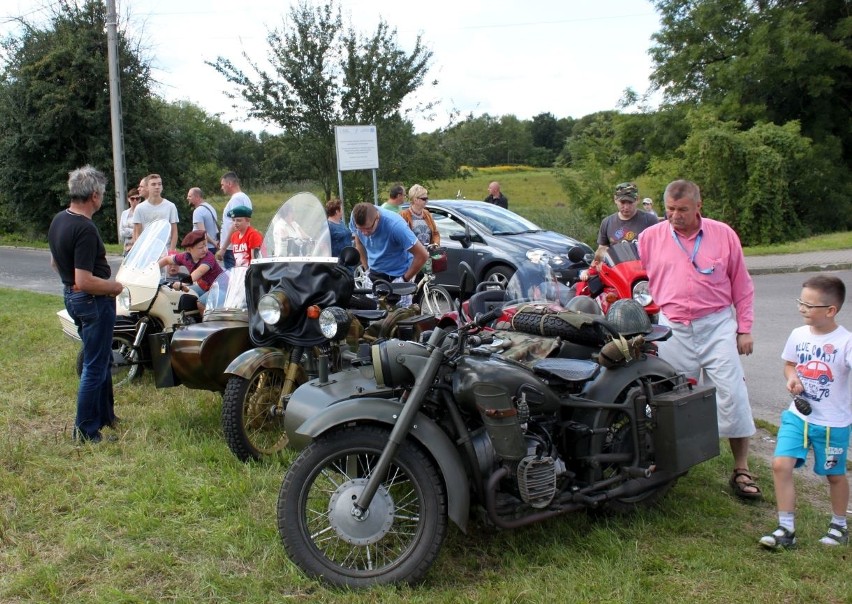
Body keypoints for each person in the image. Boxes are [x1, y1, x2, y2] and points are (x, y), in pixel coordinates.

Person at [638, 179, 761, 500]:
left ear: (698, 207)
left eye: (682, 210)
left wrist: (744, 328)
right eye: (670, 210)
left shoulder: (723, 235)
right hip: (673, 325)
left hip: (716, 324)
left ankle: (741, 467)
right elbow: (641, 278)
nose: (675, 216)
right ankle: (670, 462)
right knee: (671, 396)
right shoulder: (650, 237)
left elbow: (742, 285)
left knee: (733, 393)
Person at [759, 275, 851, 550]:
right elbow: (789, 364)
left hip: (833, 424)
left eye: (809, 305)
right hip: (799, 416)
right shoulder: (798, 335)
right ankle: (785, 529)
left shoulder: (845, 341)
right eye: (800, 301)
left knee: (834, 476)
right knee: (780, 464)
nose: (802, 308)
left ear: (830, 310)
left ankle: (839, 526)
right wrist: (791, 378)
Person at [48, 165, 124, 443]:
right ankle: (85, 431)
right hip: (93, 301)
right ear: (94, 195)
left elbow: (55, 262)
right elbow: (86, 279)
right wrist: (114, 286)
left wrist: (72, 285)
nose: (102, 198)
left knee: (101, 357)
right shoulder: (85, 228)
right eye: (102, 194)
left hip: (72, 297)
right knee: (94, 364)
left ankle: (106, 416)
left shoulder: (59, 220)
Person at [349, 202, 428, 307]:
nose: (364, 233)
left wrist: (404, 279)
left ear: (377, 218)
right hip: (373, 272)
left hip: (398, 274)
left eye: (368, 228)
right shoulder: (355, 218)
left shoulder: (396, 226)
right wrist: (366, 268)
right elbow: (358, 243)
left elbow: (422, 255)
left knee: (399, 316)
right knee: (372, 313)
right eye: (360, 229)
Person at [158, 230, 223, 313]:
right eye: (200, 247)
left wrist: (182, 283)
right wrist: (152, 268)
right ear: (189, 249)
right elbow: (167, 260)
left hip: (220, 287)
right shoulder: (185, 257)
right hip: (204, 287)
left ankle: (208, 324)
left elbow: (199, 272)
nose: (205, 249)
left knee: (201, 303)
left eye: (205, 245)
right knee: (181, 296)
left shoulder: (209, 257)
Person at [593, 182, 658, 264]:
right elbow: (601, 252)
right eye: (622, 202)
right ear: (615, 199)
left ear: (637, 199)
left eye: (630, 202)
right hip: (618, 273)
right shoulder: (607, 222)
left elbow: (660, 249)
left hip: (644, 271)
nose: (626, 207)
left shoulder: (650, 220)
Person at [132, 173, 179, 251]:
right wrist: (139, 252)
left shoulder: (170, 206)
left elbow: (174, 232)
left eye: (159, 184)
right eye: (153, 184)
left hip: (165, 250)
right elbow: (137, 233)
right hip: (146, 251)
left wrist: (172, 251)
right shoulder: (140, 208)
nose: (157, 187)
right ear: (147, 187)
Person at [217, 172, 253, 269]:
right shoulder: (245, 198)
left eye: (222, 185)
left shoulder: (236, 199)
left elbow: (236, 224)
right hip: (239, 244)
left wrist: (223, 248)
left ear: (229, 184)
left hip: (232, 247)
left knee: (233, 278)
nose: (222, 188)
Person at [400, 183, 440, 250]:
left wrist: (435, 244)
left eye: (427, 198)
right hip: (412, 257)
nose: (426, 201)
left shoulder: (427, 214)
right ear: (415, 200)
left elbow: (435, 233)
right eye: (424, 199)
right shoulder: (404, 215)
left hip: (428, 256)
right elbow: (400, 237)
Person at [187, 187, 219, 255]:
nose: (187, 198)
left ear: (197, 197)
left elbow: (202, 232)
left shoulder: (198, 211)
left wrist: (214, 242)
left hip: (203, 248)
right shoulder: (210, 207)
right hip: (212, 247)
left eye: (190, 196)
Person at [119, 187, 141, 255]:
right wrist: (134, 230)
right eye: (132, 199)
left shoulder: (142, 213)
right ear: (128, 199)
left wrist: (128, 230)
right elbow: (121, 232)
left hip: (138, 246)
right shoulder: (124, 213)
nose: (135, 201)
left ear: (140, 200)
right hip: (127, 245)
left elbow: (142, 231)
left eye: (137, 199)